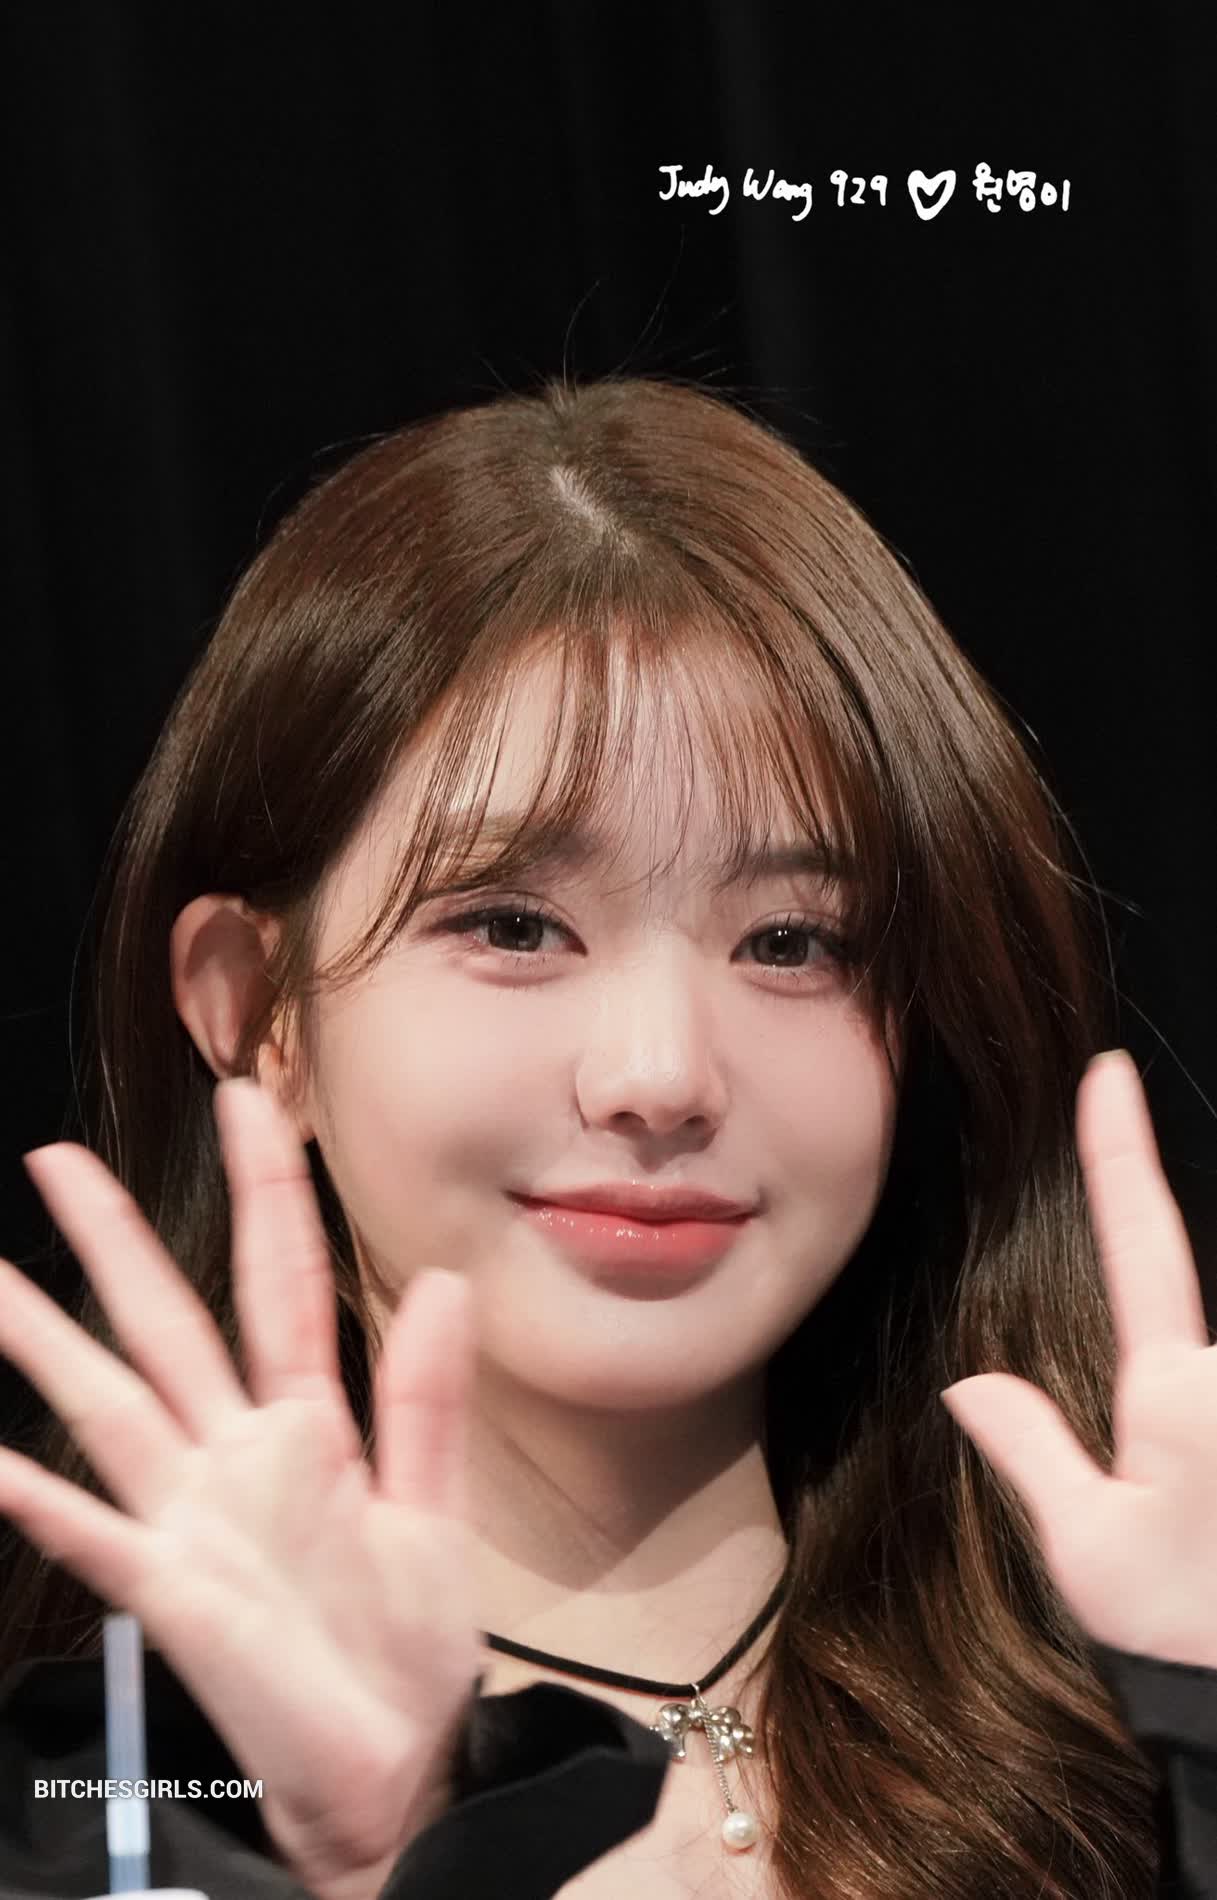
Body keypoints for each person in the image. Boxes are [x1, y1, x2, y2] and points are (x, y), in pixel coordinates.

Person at [0, 375, 1214, 1900]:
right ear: (257, 1013)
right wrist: (360, 1863)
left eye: (791, 942)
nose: (658, 1075)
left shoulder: (1141, 1701)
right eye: (513, 925)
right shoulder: (113, 1809)